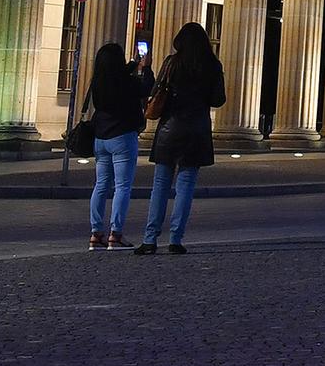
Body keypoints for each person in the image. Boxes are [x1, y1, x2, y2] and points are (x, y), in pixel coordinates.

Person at [137, 22, 224, 256]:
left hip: (170, 129)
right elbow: (218, 100)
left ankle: (149, 238)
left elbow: (156, 91)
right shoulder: (212, 66)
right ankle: (175, 238)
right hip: (197, 131)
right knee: (185, 187)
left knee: (160, 185)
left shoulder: (171, 63)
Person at [82, 42, 150, 250]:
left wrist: (133, 64)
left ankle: (96, 234)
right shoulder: (126, 82)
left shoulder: (98, 82)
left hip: (101, 138)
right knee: (122, 186)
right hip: (122, 136)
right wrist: (145, 67)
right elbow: (146, 87)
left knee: (101, 185)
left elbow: (117, 76)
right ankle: (116, 233)